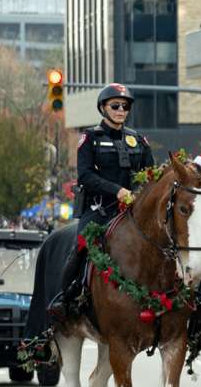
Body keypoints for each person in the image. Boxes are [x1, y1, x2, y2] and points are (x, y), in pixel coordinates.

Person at [54, 83, 156, 314]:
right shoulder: (90, 138)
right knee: (81, 246)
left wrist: (141, 194)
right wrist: (117, 191)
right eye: (116, 105)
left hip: (132, 210)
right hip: (100, 208)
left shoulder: (138, 140)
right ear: (103, 108)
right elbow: (86, 175)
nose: (121, 110)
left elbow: (150, 174)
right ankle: (67, 297)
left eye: (125, 106)